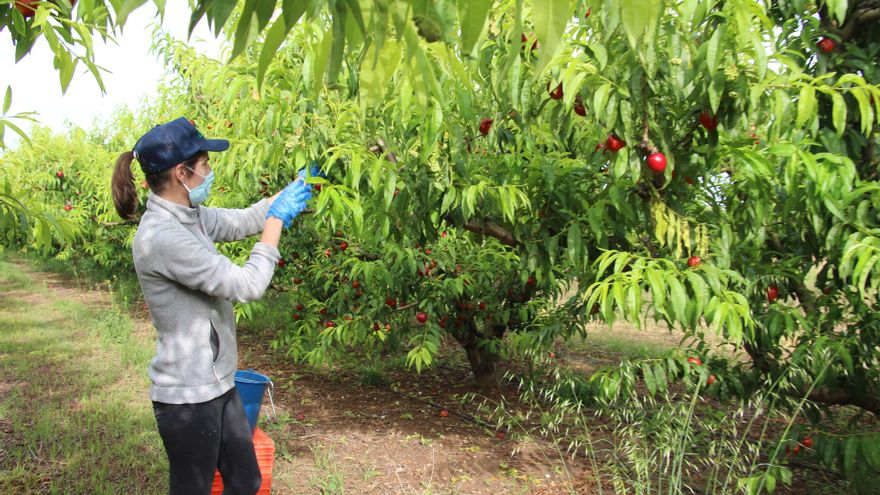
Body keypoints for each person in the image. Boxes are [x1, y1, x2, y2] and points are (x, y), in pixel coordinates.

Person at [110, 117, 314, 494]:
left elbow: (241, 221)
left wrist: (289, 192)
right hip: (187, 395)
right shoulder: (161, 237)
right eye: (205, 164)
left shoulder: (190, 216)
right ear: (181, 172)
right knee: (193, 488)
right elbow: (247, 284)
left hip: (218, 383)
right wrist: (277, 221)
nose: (210, 171)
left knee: (246, 480)